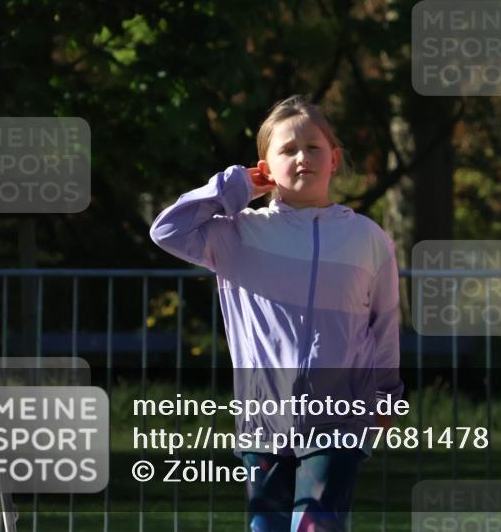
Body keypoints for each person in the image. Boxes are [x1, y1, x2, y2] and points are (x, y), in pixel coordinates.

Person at [150, 95, 402, 532]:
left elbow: (383, 322)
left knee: (315, 526)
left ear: (334, 159)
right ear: (264, 166)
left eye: (314, 147)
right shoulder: (239, 233)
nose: (302, 157)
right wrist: (237, 186)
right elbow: (168, 230)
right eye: (287, 150)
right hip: (263, 419)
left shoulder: (368, 238)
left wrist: (386, 394)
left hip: (341, 416)